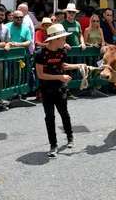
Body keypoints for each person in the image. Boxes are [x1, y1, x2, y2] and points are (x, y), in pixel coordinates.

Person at [35, 23, 86, 158]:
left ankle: (70, 137)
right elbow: (40, 75)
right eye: (63, 38)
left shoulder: (62, 51)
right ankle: (53, 145)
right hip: (46, 89)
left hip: (60, 88)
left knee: (64, 114)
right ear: (54, 39)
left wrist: (79, 66)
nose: (65, 40)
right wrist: (60, 76)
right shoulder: (40, 54)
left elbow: (63, 65)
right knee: (50, 117)